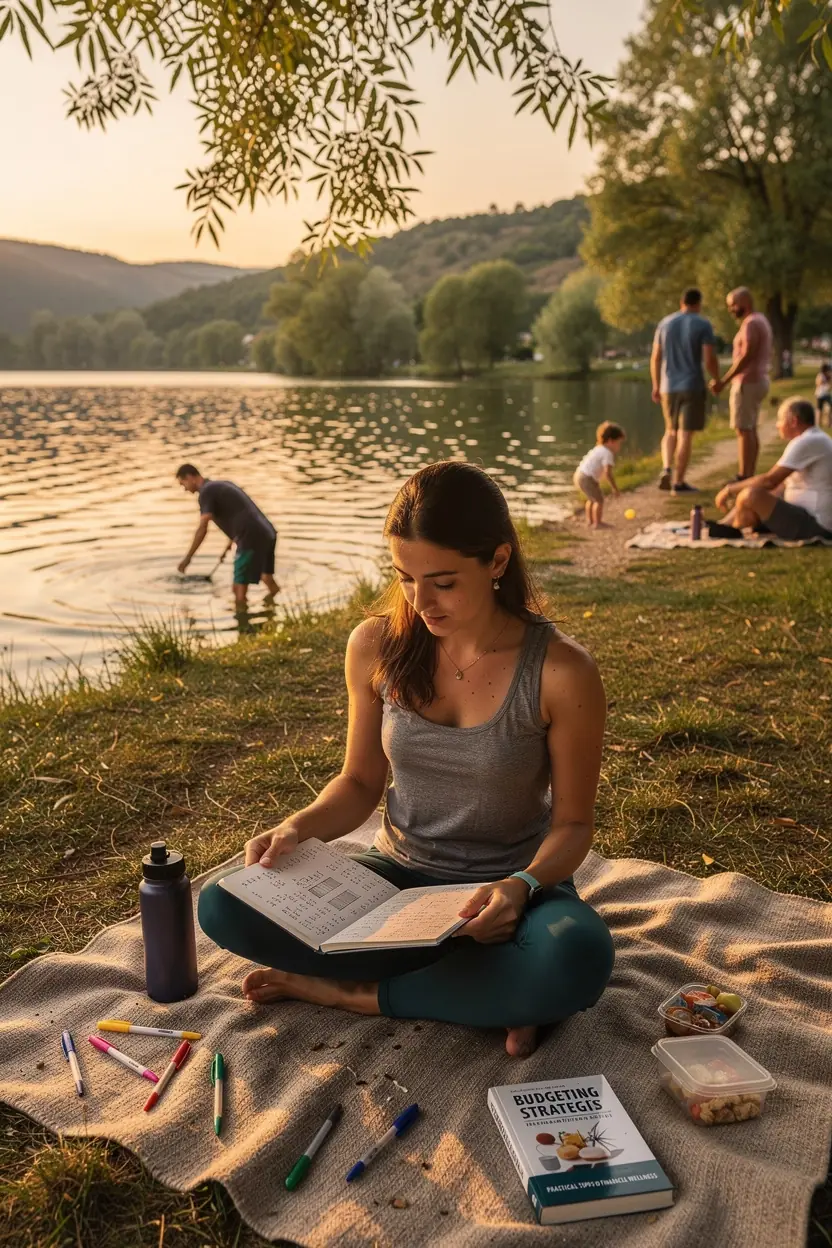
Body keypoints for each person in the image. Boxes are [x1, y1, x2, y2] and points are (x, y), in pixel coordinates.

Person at [198, 461, 615, 1058]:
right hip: (395, 891)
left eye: (444, 582)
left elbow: (574, 825)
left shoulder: (561, 671)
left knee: (578, 954)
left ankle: (352, 993)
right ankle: (491, 995)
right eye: (405, 578)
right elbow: (360, 781)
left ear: (497, 561)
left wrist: (522, 885)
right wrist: (296, 827)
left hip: (509, 901)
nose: (422, 601)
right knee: (223, 901)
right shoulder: (376, 645)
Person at [714, 398, 832, 541]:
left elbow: (769, 481)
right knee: (752, 496)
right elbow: (778, 486)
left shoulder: (808, 441)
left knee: (751, 495)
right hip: (805, 517)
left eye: (780, 420)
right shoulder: (812, 439)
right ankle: (726, 526)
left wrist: (730, 489)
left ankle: (732, 530)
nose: (777, 425)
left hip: (816, 525)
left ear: (794, 421)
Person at [176, 465, 279, 608]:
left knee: (238, 588)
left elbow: (203, 528)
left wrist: (188, 558)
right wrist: (228, 546)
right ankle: (276, 609)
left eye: (183, 484)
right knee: (266, 577)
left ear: (190, 477)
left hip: (249, 537)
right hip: (267, 532)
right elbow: (240, 514)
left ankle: (243, 624)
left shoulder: (206, 492)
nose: (185, 489)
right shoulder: (221, 485)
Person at [651, 287, 720, 495]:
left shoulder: (665, 324)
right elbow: (709, 358)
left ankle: (666, 468)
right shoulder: (703, 324)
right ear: (698, 303)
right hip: (692, 384)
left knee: (670, 430)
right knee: (685, 435)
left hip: (667, 386)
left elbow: (655, 357)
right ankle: (679, 483)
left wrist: (655, 384)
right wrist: (717, 379)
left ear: (681, 303)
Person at [710, 287, 773, 481]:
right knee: (749, 429)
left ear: (744, 302)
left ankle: (744, 475)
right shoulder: (760, 320)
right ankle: (748, 473)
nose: (731, 310)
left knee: (743, 430)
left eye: (732, 305)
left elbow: (746, 355)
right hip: (757, 380)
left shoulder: (751, 323)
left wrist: (723, 381)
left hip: (747, 382)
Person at [573, 421, 625, 529]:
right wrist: (614, 488)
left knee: (592, 499)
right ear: (610, 441)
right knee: (599, 500)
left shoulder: (598, 449)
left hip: (580, 475)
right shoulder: (607, 453)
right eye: (619, 443)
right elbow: (608, 472)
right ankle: (597, 523)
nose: (619, 447)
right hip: (587, 477)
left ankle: (590, 521)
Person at [815, 362, 832, 428]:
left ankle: (829, 423)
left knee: (830, 407)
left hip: (826, 394)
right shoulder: (820, 375)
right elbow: (818, 383)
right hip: (820, 394)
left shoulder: (828, 375)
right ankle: (818, 424)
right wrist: (825, 381)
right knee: (819, 409)